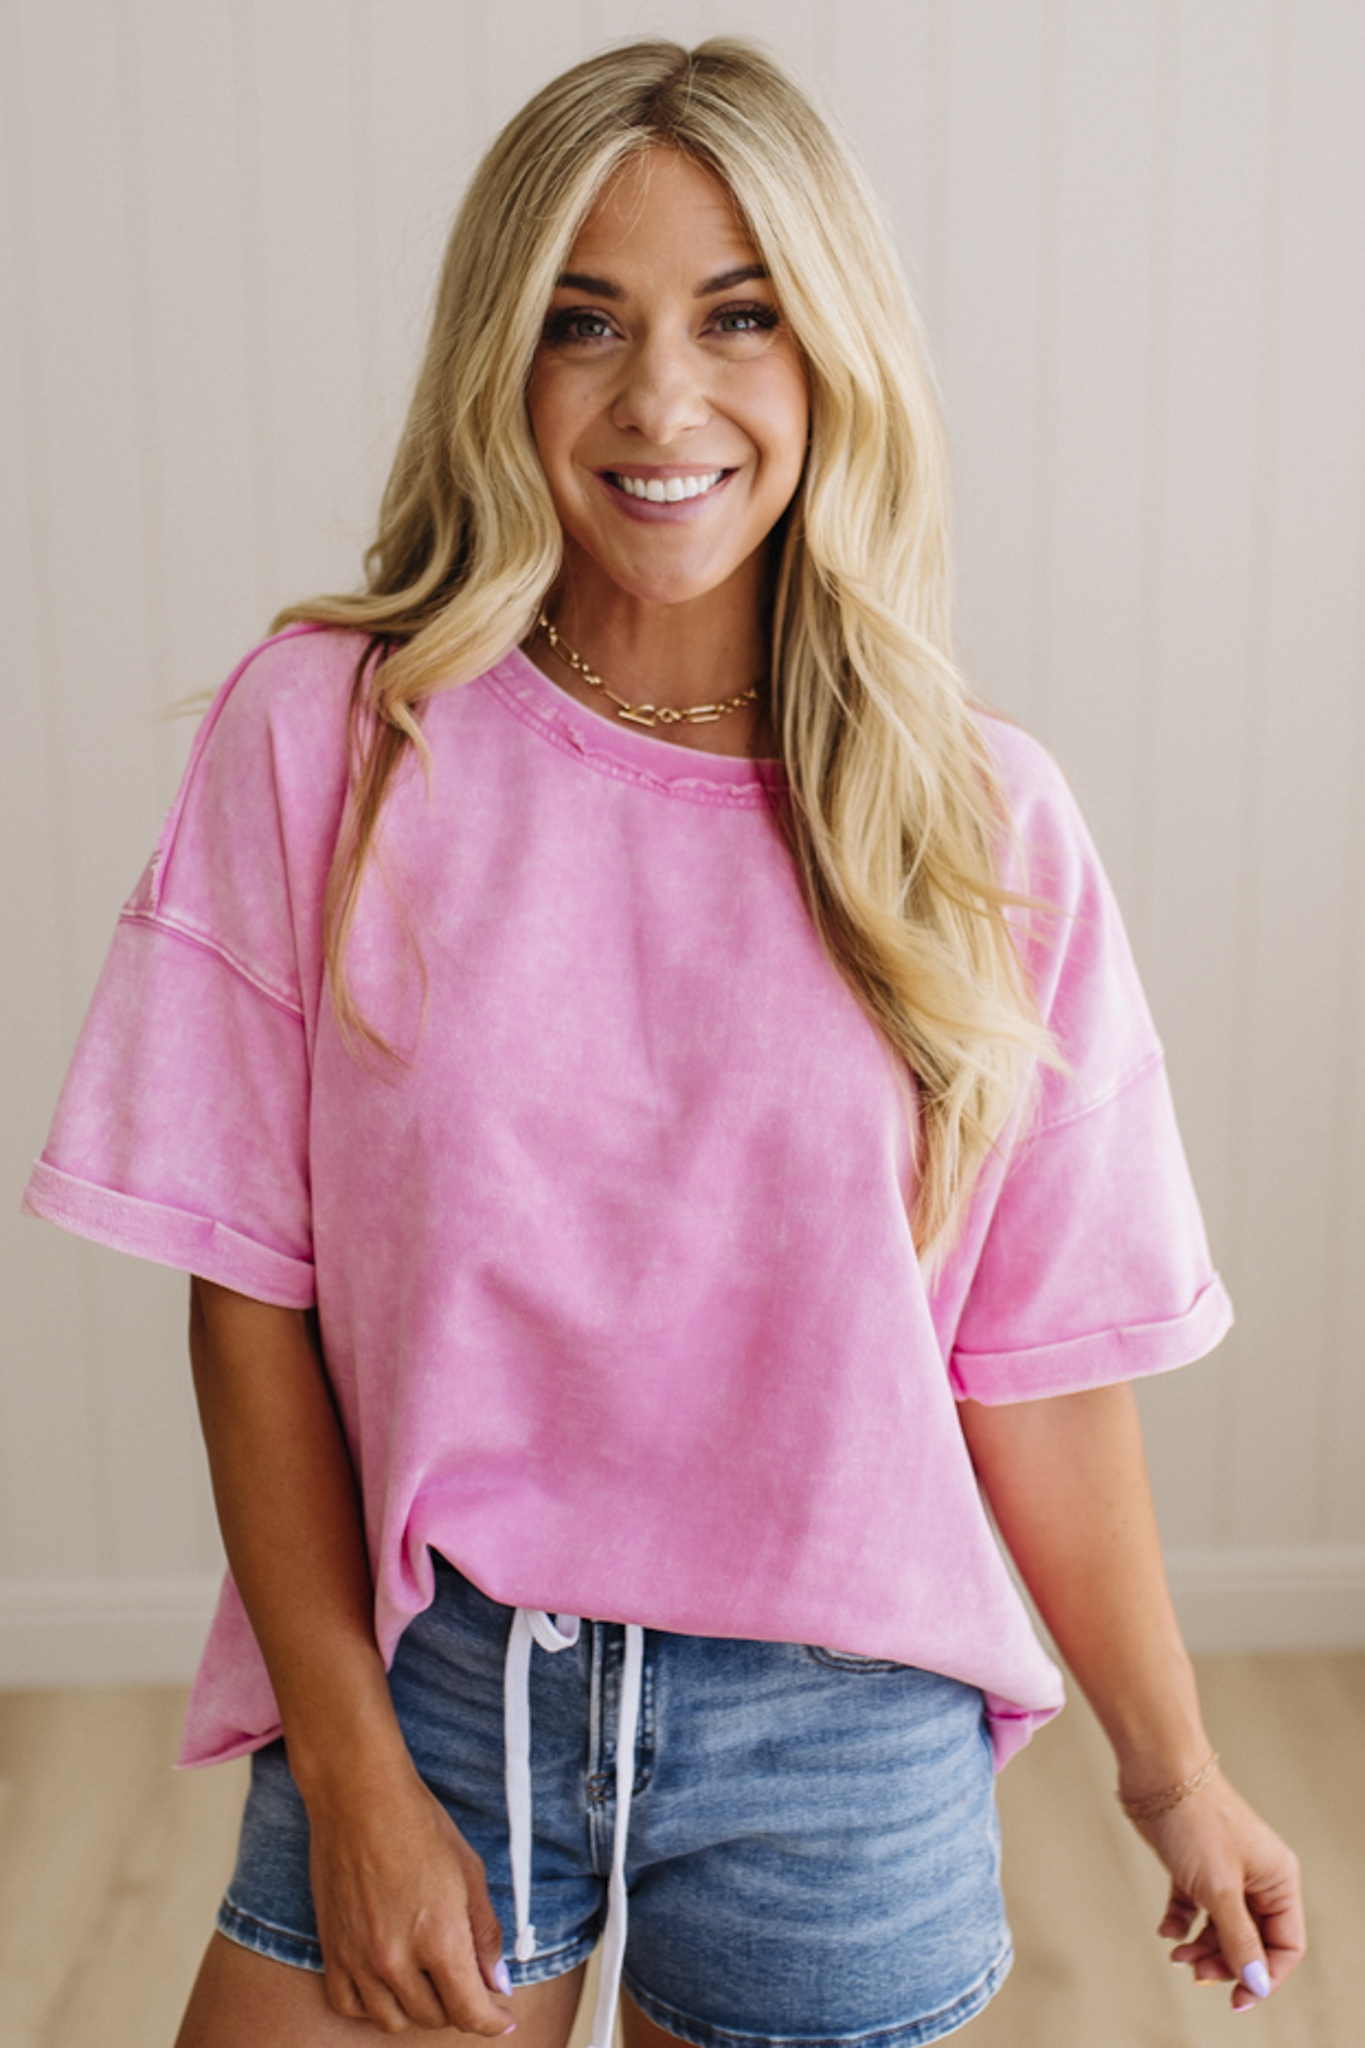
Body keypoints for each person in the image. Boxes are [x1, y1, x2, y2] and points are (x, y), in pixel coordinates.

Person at [23, 36, 1304, 2048]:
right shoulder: (334, 739)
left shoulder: (981, 825)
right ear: (497, 364)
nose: (660, 401)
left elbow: (1039, 1374)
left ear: (833, 355)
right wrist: (352, 1765)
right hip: (441, 1678)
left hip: (841, 1731)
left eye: (738, 318)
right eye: (582, 324)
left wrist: (1172, 1766)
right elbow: (249, 1297)